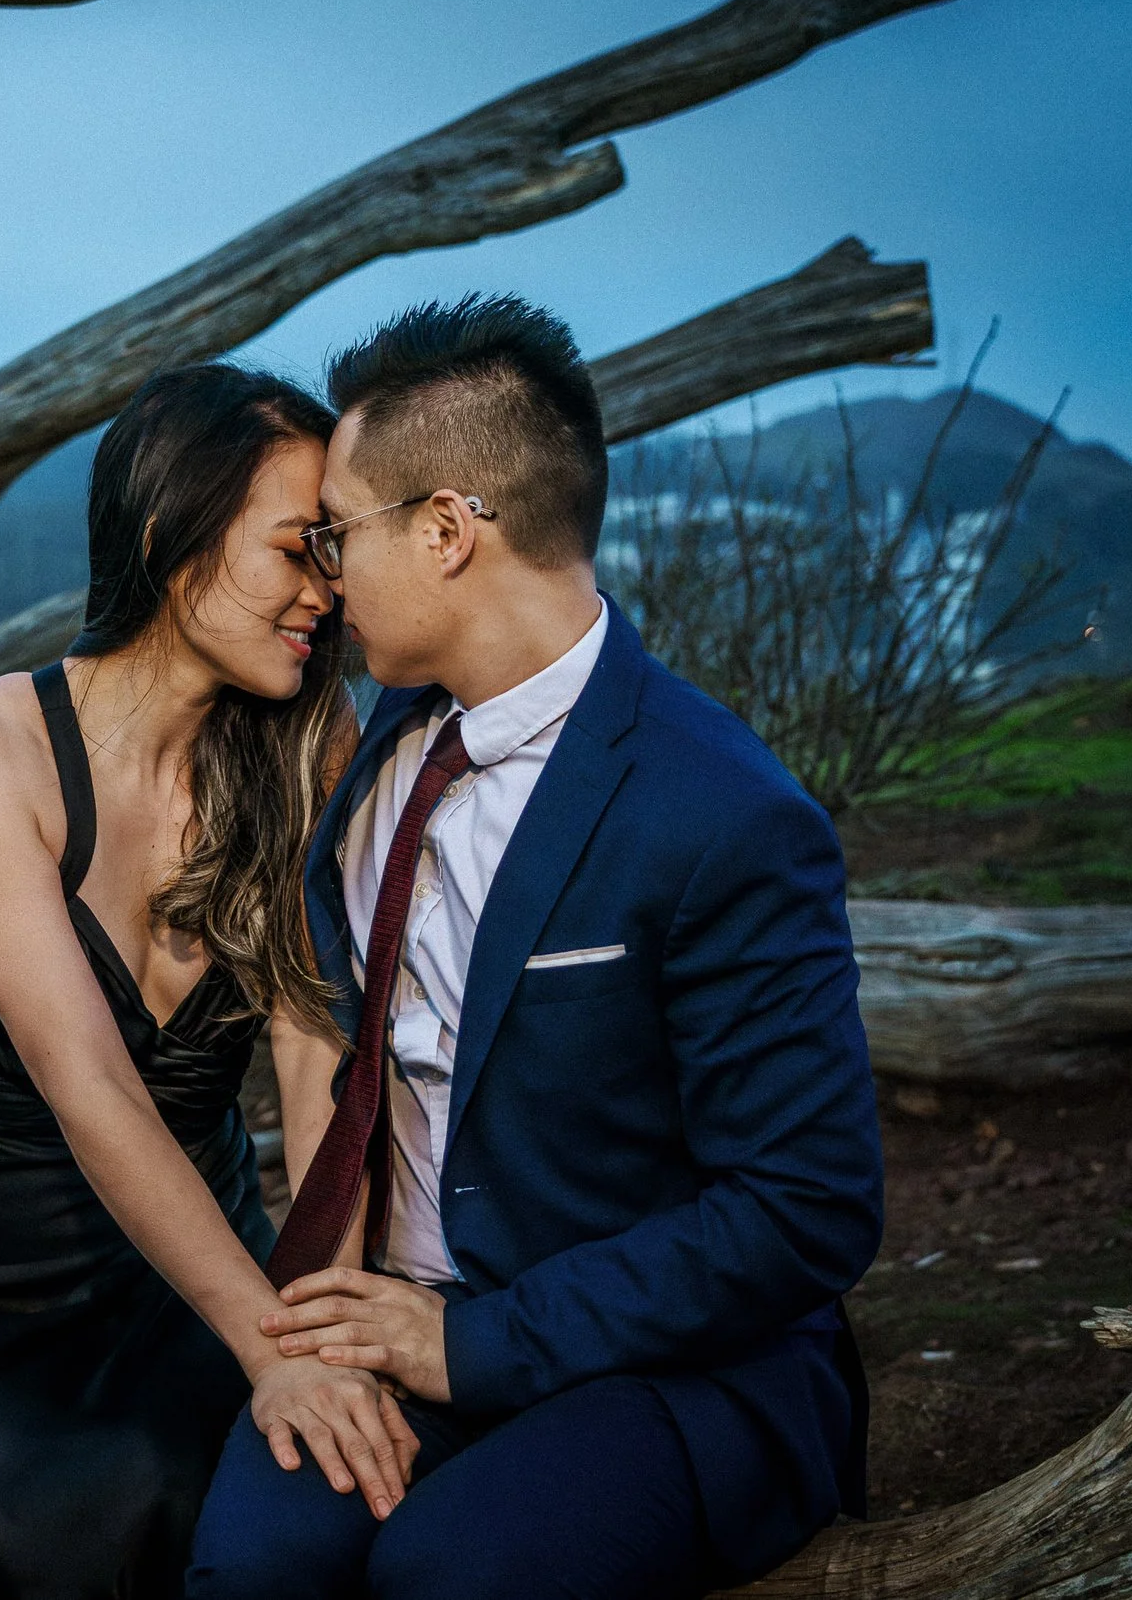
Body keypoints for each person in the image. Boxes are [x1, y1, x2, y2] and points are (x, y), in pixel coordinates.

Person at [184, 296, 887, 1600]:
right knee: (251, 1565)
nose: (326, 576)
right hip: (398, 1320)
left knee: (454, 1572)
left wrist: (474, 1341)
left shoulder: (721, 811)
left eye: (341, 533)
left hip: (669, 1367)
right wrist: (340, 1308)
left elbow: (808, 1206)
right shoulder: (387, 736)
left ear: (448, 529)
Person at [0, 365, 418, 1600]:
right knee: (113, 1503)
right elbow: (90, 1083)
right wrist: (272, 1351)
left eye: (331, 550)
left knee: (335, 1501)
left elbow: (321, 1059)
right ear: (169, 533)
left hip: (203, 1266)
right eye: (293, 549)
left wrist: (324, 1325)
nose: (327, 589)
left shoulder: (312, 737)